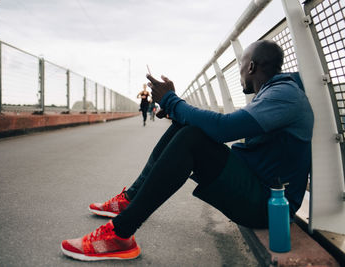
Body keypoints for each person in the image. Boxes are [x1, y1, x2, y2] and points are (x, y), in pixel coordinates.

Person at [61, 40, 314, 261]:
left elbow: (223, 129)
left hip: (270, 207)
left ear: (251, 67)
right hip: (258, 190)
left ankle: (119, 234)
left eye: (241, 63)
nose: (239, 70)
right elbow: (218, 127)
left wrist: (172, 101)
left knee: (193, 137)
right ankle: (129, 202)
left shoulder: (284, 95)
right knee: (186, 128)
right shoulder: (276, 92)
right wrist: (176, 111)